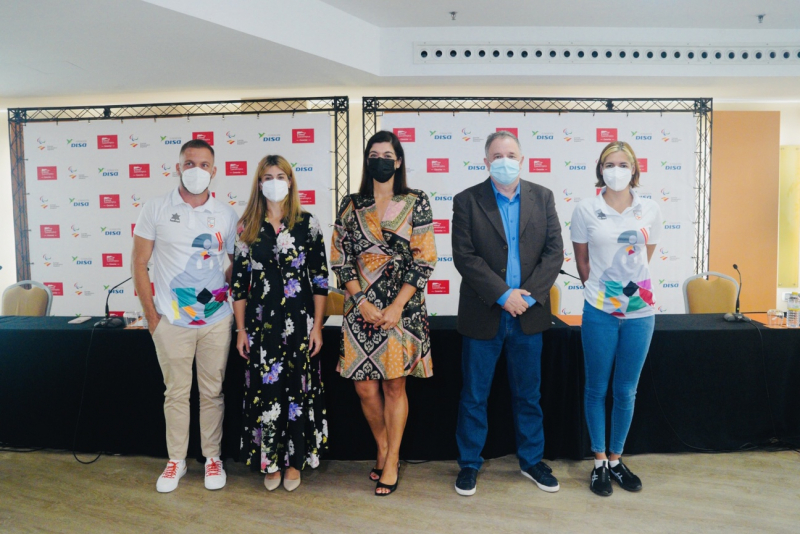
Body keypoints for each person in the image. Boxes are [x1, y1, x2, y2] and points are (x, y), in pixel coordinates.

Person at [452, 130, 563, 497]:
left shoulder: (543, 198)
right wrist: (503, 295)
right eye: (496, 155)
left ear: (522, 159)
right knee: (474, 395)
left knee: (528, 395)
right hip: (484, 312)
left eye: (510, 154)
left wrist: (526, 297)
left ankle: (532, 461)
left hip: (529, 315)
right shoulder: (466, 200)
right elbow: (464, 256)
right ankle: (469, 463)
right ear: (485, 162)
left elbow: (554, 253)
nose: (504, 161)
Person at [330, 130, 437, 496]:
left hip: (401, 308)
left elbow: (425, 261)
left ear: (399, 160)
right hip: (360, 307)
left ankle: (391, 462)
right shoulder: (350, 203)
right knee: (364, 387)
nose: (381, 159)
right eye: (374, 154)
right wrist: (361, 301)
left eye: (387, 154)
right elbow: (340, 260)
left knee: (394, 385)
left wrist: (395, 306)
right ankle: (383, 445)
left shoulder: (416, 200)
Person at [132, 139, 238, 493]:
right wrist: (152, 317)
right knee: (176, 393)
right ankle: (175, 460)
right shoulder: (156, 208)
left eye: (204, 164)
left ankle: (212, 459)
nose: (197, 170)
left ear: (214, 171)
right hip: (171, 322)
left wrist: (224, 293)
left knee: (212, 392)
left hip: (216, 320)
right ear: (177, 167)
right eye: (189, 163)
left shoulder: (226, 214)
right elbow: (139, 262)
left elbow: (234, 266)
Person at [231, 155, 329, 492]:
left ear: (290, 181)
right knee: (267, 392)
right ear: (259, 183)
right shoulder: (246, 226)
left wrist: (317, 327)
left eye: (280, 175)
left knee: (297, 393)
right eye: (267, 176)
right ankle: (269, 461)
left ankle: (294, 460)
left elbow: (319, 280)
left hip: (300, 326)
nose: (274, 181)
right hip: (261, 327)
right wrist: (241, 329)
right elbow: (239, 285)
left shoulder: (308, 224)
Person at [570, 141, 662, 497]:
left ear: (635, 170)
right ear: (600, 169)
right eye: (610, 163)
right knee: (596, 389)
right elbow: (582, 262)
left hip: (641, 313)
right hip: (599, 311)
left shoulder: (649, 209)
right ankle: (598, 463)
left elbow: (645, 256)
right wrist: (600, 290)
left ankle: (616, 459)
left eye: (624, 163)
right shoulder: (586, 209)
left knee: (626, 391)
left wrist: (626, 290)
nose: (617, 169)